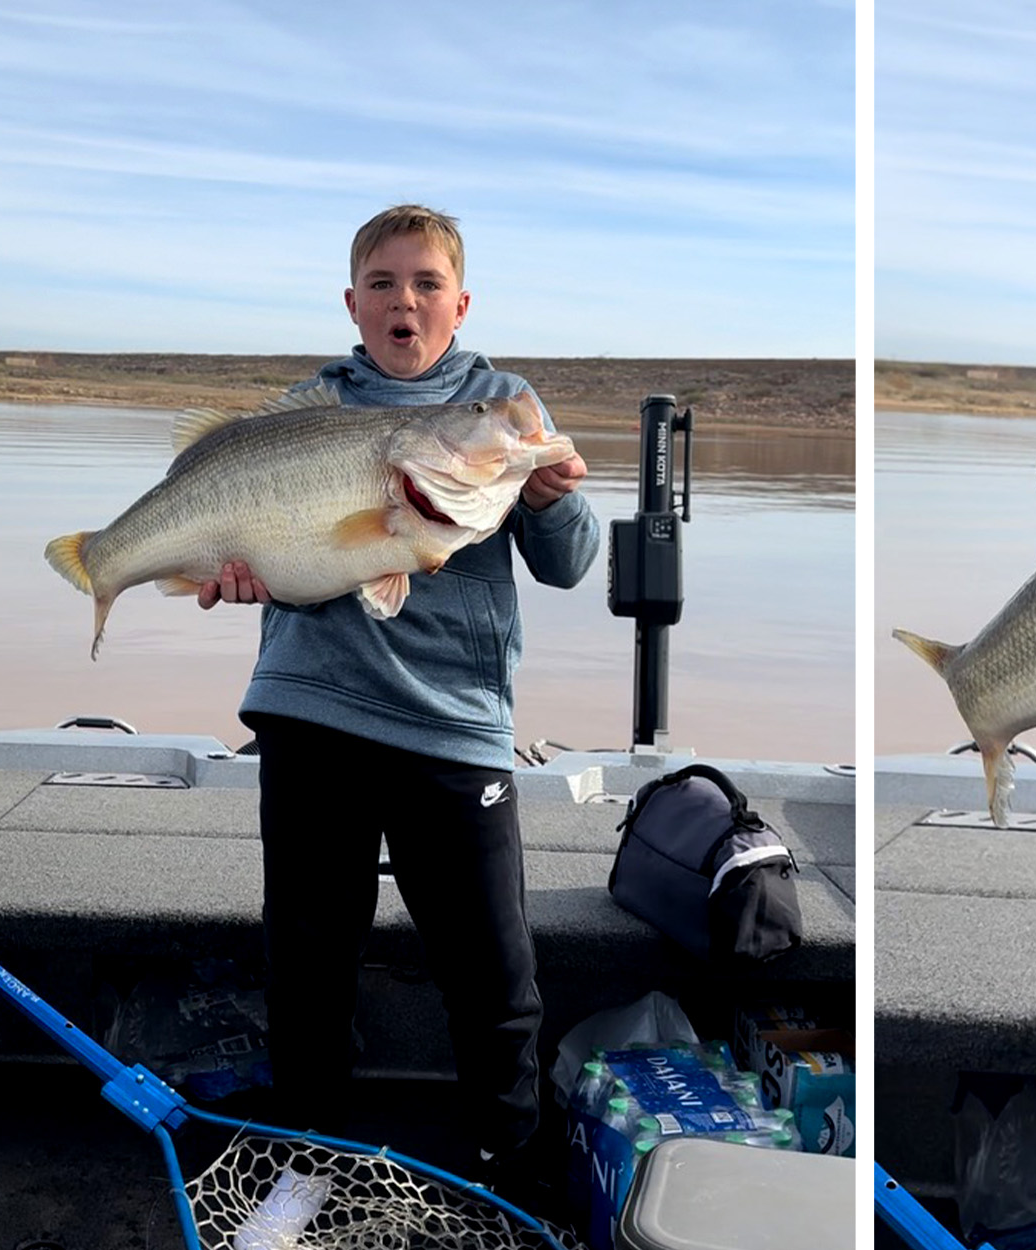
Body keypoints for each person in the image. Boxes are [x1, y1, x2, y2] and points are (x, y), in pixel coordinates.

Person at [200, 204, 599, 1194]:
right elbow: (256, 547)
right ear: (353, 302)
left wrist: (556, 499)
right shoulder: (308, 403)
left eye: (426, 284)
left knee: (494, 973)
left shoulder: (506, 407)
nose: (404, 301)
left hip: (454, 725)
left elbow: (573, 563)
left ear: (460, 305)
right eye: (383, 283)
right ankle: (304, 1163)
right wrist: (233, 570)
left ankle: (510, 1163)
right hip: (311, 710)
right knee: (306, 963)